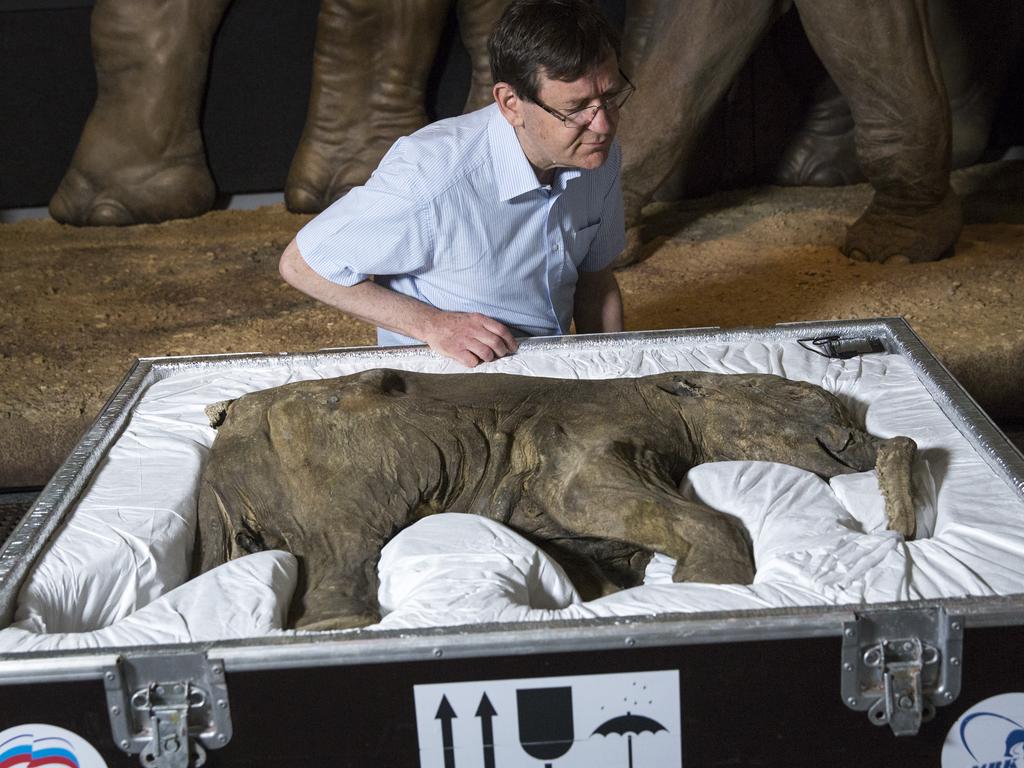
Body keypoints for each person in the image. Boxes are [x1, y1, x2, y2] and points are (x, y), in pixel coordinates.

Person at [279, 0, 633, 367]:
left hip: (546, 370)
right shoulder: (431, 175)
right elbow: (304, 263)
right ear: (511, 103)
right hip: (443, 381)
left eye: (609, 98)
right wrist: (432, 325)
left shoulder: (594, 153)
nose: (603, 125)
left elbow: (596, 282)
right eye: (575, 109)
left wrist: (613, 373)